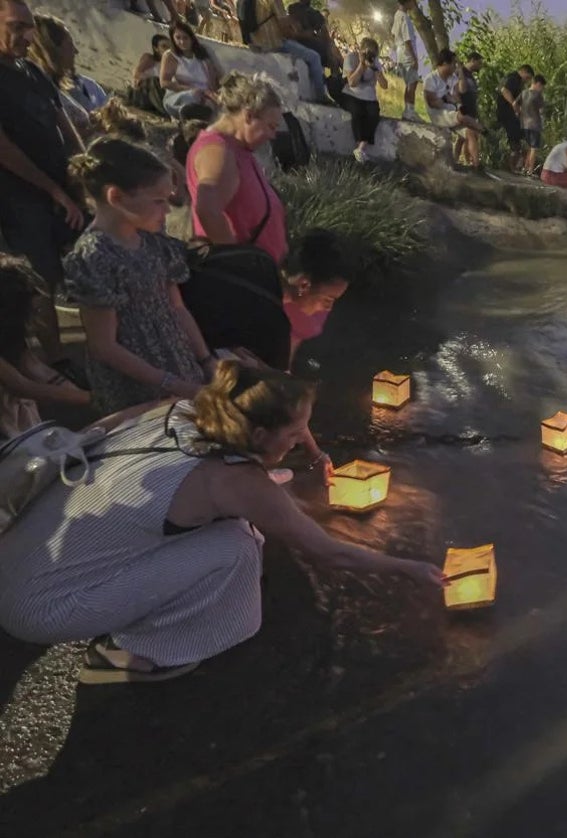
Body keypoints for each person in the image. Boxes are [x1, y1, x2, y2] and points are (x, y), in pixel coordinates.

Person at [0, 362, 446, 684]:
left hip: (17, 558)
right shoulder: (235, 481)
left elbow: (101, 436)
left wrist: (310, 451)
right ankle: (146, 651)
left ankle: (123, 603)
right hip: (40, 608)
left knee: (211, 526)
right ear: (256, 437)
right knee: (236, 542)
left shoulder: (176, 410)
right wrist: (410, 570)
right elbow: (327, 550)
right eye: (294, 435)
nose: (301, 441)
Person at [64, 137, 215, 414]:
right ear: (116, 197)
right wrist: (173, 384)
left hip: (179, 366)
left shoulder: (153, 241)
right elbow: (104, 346)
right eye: (158, 201)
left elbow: (177, 307)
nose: (167, 210)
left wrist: (205, 360)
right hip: (136, 388)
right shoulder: (94, 257)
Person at [0, 0, 85, 376]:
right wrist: (53, 190)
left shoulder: (31, 70)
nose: (27, 36)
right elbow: (5, 148)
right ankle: (56, 363)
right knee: (41, 276)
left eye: (29, 27)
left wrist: (86, 175)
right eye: (17, 27)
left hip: (62, 187)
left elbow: (63, 121)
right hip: (21, 196)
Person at [187, 72, 288, 265]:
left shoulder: (237, 148)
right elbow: (208, 210)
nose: (272, 135)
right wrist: (238, 264)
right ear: (249, 116)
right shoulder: (217, 150)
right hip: (243, 274)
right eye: (271, 126)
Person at [0, 253, 90, 438]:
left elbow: (33, 367)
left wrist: (77, 391)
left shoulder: (10, 334)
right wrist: (90, 398)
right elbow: (20, 385)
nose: (37, 311)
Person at [239, 0, 328, 105]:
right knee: (314, 57)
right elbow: (284, 28)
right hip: (273, 43)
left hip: (253, 41)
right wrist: (300, 33)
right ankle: (321, 97)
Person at [282, 228, 349, 365]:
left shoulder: (301, 313)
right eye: (327, 299)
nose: (328, 308)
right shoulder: (259, 298)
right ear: (304, 285)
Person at [26, 15, 93, 141]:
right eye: (70, 45)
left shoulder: (53, 87)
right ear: (53, 49)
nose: (76, 51)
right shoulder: (37, 88)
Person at [160, 20, 219, 119]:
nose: (182, 42)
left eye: (185, 38)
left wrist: (213, 96)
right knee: (194, 96)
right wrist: (192, 90)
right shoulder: (170, 56)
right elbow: (164, 83)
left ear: (192, 38)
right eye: (178, 38)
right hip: (181, 96)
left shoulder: (202, 54)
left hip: (205, 96)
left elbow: (212, 82)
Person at [342, 36, 387, 163]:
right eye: (367, 53)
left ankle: (361, 148)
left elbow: (384, 85)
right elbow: (352, 82)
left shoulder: (375, 63)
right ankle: (359, 150)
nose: (369, 56)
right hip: (351, 94)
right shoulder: (351, 58)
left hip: (369, 97)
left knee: (373, 114)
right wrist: (361, 66)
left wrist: (375, 70)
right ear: (361, 51)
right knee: (357, 112)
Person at [423, 49, 484, 141]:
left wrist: (460, 71)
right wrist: (445, 99)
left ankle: (472, 154)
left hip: (452, 111)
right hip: (439, 115)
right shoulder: (431, 79)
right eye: (453, 63)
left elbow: (461, 90)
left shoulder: (452, 78)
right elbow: (433, 104)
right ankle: (485, 131)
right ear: (444, 63)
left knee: (471, 133)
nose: (455, 66)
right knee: (463, 117)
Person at [496, 63, 532, 173]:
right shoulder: (513, 78)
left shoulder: (515, 80)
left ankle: (516, 166)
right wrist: (514, 104)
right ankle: (512, 167)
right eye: (528, 77)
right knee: (516, 140)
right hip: (507, 113)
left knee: (519, 140)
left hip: (510, 114)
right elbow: (504, 91)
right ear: (524, 72)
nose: (527, 80)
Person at [390, 0, 420, 122]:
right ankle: (410, 112)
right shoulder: (405, 18)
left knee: (409, 84)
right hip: (407, 55)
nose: (415, 3)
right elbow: (408, 40)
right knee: (412, 84)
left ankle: (408, 111)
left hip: (400, 53)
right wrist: (414, 58)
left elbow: (392, 34)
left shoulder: (397, 15)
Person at [453, 51, 482, 167]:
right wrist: (460, 106)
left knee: (462, 137)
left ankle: (460, 160)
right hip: (463, 109)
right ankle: (475, 163)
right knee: (471, 135)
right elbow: (457, 91)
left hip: (472, 110)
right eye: (479, 63)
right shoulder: (460, 73)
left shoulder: (471, 76)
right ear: (472, 60)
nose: (480, 66)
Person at [517, 73, 545, 176]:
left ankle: (525, 168)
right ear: (537, 84)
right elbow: (541, 111)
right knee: (534, 148)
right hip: (535, 124)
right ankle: (530, 170)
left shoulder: (523, 93)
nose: (542, 89)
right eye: (541, 87)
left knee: (529, 147)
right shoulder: (538, 95)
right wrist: (543, 123)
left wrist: (520, 113)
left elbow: (514, 104)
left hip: (524, 124)